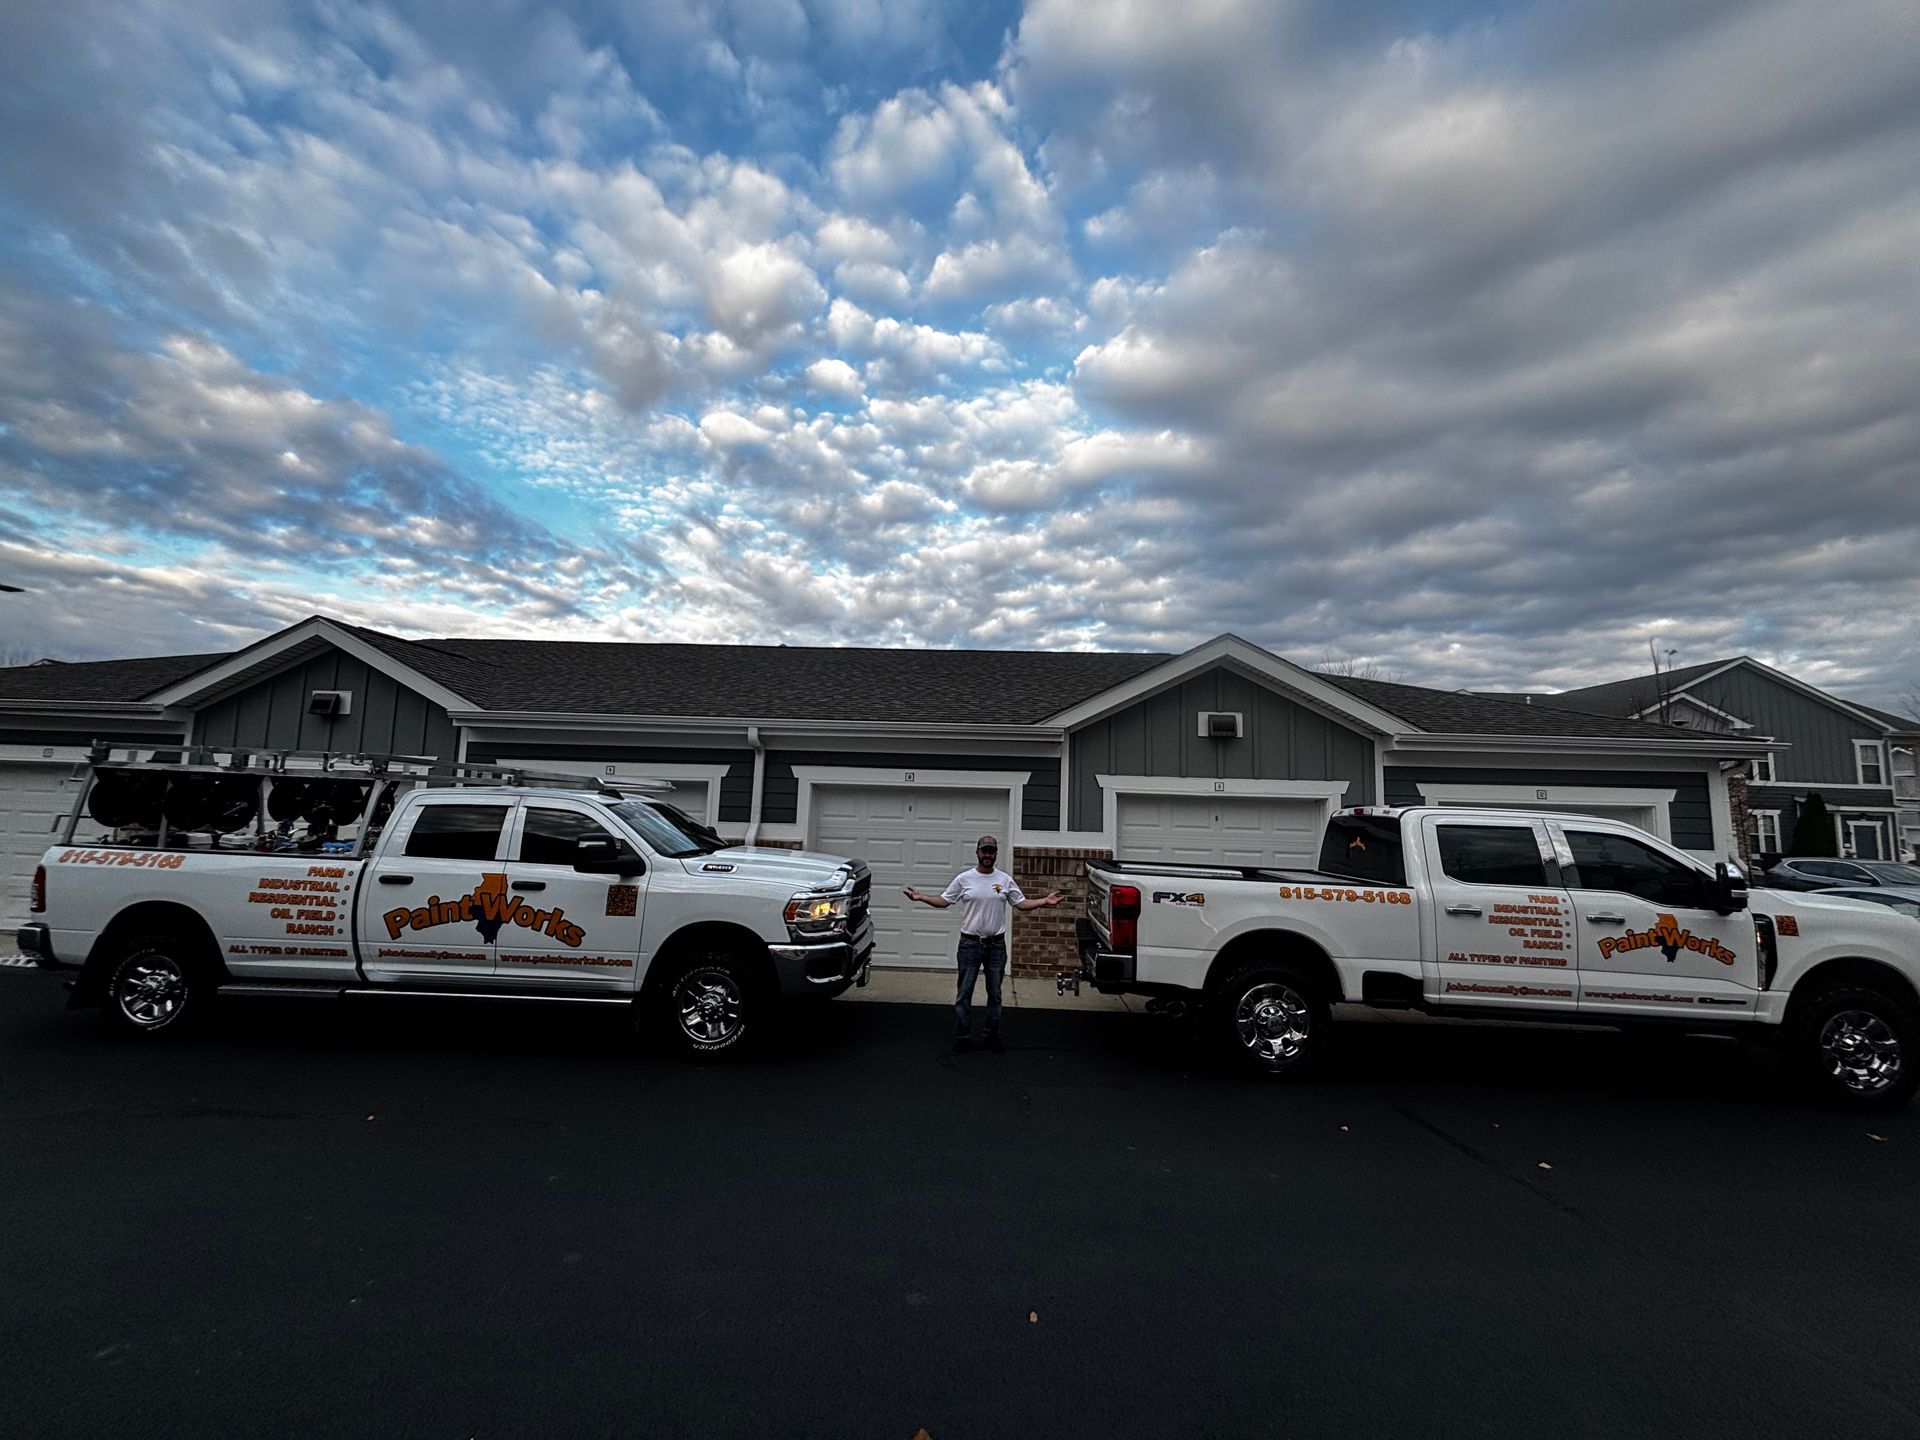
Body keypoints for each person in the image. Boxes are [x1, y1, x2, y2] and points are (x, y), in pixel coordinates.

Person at [904, 835, 1063, 1052]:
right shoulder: (964, 879)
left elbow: (1021, 903)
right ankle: (963, 1036)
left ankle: (991, 1036)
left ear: (995, 854)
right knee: (964, 993)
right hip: (970, 945)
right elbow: (944, 901)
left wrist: (1045, 901)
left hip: (996, 946)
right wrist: (921, 897)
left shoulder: (1005, 880)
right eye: (984, 851)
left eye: (991, 851)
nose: (987, 855)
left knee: (995, 994)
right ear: (977, 852)